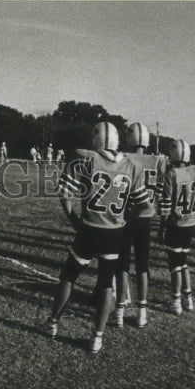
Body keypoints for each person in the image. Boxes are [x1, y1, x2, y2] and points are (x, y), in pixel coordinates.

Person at [45, 121, 149, 354]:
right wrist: (124, 218)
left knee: (69, 275)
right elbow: (144, 205)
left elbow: (65, 194)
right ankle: (97, 337)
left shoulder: (85, 158)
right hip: (114, 233)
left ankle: (53, 322)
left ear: (97, 139)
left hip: (90, 228)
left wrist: (72, 218)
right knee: (106, 284)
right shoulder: (131, 165)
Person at [115, 122, 168, 328]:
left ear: (130, 138)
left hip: (126, 217)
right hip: (146, 218)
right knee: (143, 266)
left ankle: (120, 311)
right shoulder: (158, 160)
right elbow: (162, 187)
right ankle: (142, 313)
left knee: (122, 266)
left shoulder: (125, 158)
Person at [157, 138, 195, 315]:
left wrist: (161, 228)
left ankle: (176, 301)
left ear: (173, 153)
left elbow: (165, 207)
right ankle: (189, 299)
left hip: (175, 225)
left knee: (175, 266)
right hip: (190, 223)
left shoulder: (172, 173)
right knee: (183, 263)